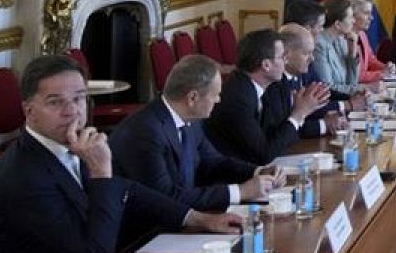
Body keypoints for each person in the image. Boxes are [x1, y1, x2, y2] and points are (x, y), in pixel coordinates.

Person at [0, 56, 240, 252]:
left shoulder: (70, 144)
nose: (72, 111)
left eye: (79, 98)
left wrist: (198, 218)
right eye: (55, 101)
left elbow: (128, 191)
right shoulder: (22, 177)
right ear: (29, 110)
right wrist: (101, 173)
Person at [110, 55, 280, 214]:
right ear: (193, 98)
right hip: (145, 233)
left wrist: (258, 172)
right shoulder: (145, 131)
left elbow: (213, 163)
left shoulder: (191, 120)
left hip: (181, 218)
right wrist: (240, 192)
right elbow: (165, 197)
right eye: (216, 94)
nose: (218, 100)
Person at [204, 29, 330, 164]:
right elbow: (264, 153)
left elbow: (277, 134)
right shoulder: (238, 97)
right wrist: (298, 114)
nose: (286, 61)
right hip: (233, 173)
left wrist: (302, 109)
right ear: (266, 65)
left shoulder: (269, 85)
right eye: (282, 57)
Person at [275, 24, 350, 138]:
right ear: (286, 54)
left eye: (312, 53)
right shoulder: (275, 84)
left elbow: (307, 112)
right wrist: (324, 124)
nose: (312, 58)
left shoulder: (297, 74)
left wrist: (330, 115)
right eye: (306, 53)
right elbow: (285, 130)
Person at [313, 0, 361, 96]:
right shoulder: (319, 46)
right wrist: (362, 89)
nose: (354, 21)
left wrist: (352, 53)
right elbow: (328, 88)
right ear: (338, 24)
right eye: (350, 17)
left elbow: (351, 83)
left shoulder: (341, 40)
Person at [346, 0, 389, 84]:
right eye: (366, 13)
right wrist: (381, 74)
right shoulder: (345, 39)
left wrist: (385, 67)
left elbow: (370, 60)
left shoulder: (362, 34)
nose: (371, 17)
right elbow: (357, 76)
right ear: (352, 15)